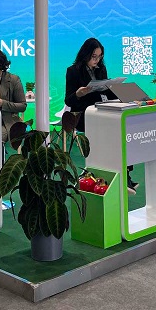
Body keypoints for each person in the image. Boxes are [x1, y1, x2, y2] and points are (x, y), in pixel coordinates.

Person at [65, 38, 139, 194]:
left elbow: (105, 93)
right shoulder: (73, 71)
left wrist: (118, 89)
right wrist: (78, 93)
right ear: (85, 54)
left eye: (99, 57)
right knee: (113, 134)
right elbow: (69, 100)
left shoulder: (101, 69)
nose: (97, 60)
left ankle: (125, 175)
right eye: (94, 56)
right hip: (83, 114)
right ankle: (123, 178)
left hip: (102, 111)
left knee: (122, 133)